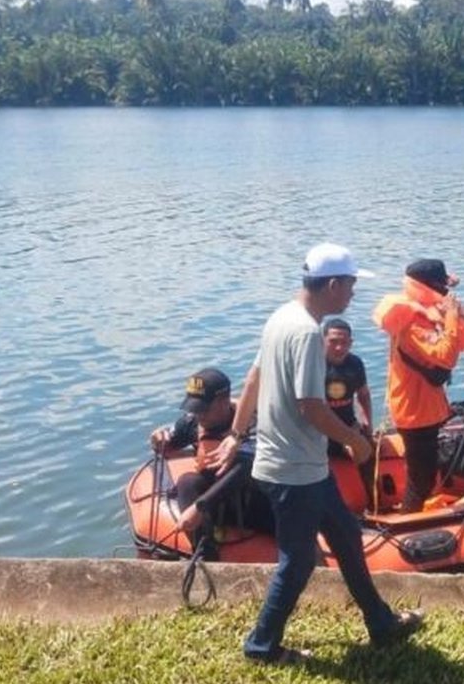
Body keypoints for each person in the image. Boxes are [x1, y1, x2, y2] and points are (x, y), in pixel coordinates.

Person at [211, 242, 424, 666]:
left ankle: (381, 623)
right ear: (331, 284)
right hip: (293, 471)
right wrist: (355, 439)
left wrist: (237, 434)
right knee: (298, 562)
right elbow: (311, 405)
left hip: (304, 466)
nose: (352, 294)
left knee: (346, 536)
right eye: (349, 285)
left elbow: (253, 378)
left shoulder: (280, 318)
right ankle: (262, 645)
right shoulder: (307, 332)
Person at [373, 259, 464, 513]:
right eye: (442, 285)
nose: (447, 292)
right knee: (420, 480)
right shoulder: (413, 322)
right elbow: (444, 355)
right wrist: (452, 317)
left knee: (425, 472)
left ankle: (417, 515)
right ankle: (408, 528)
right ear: (430, 286)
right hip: (415, 412)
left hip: (425, 408)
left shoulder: (422, 311)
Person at [148, 367, 270, 559]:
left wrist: (199, 507)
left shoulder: (254, 422)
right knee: (187, 481)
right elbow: (168, 443)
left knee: (243, 463)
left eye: (203, 409)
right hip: (217, 507)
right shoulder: (193, 423)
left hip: (255, 502)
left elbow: (246, 467)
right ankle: (205, 553)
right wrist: (158, 439)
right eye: (194, 409)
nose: (199, 415)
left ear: (223, 402)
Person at [322, 318, 377, 505]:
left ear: (351, 343)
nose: (339, 348)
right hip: (319, 433)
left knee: (368, 451)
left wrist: (368, 424)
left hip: (348, 428)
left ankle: (373, 503)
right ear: (322, 341)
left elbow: (363, 395)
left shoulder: (355, 363)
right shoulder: (313, 367)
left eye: (344, 342)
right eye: (333, 342)